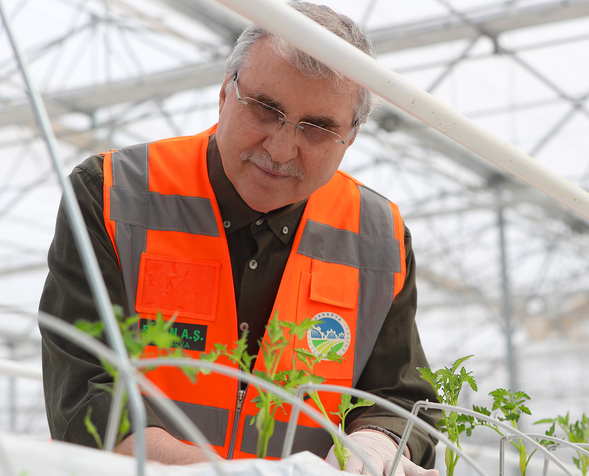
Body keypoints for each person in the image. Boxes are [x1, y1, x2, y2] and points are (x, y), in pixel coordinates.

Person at [39, 2, 440, 475]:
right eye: (266, 110)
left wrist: (375, 446)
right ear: (225, 92)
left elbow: (399, 397)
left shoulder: (378, 236)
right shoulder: (112, 195)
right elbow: (84, 393)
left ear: (351, 136)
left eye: (317, 128)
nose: (280, 148)